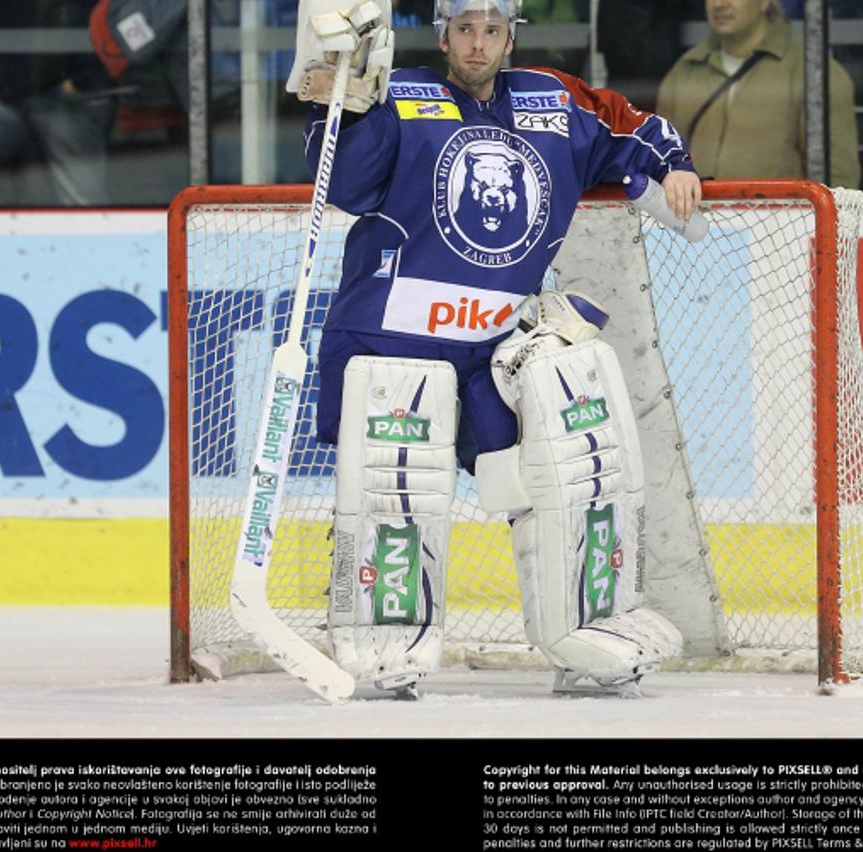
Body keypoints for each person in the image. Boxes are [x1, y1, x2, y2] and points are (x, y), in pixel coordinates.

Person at [286, 0, 698, 697]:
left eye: (492, 31)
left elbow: (629, 126)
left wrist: (675, 165)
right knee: (395, 490)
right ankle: (384, 642)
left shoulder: (554, 100)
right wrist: (346, 109)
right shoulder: (396, 95)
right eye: (464, 30)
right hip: (394, 337)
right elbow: (346, 186)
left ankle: (583, 633)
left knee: (555, 477)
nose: (477, 44)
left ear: (511, 37)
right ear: (443, 35)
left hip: (491, 349)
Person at [655, 0, 860, 188]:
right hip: (693, 216)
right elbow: (657, 163)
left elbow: (838, 181)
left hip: (783, 216)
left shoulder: (812, 72)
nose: (719, 4)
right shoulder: (683, 73)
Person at [0, 1, 115, 206]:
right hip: (15, 86)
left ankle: (90, 228)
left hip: (66, 94)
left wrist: (84, 80)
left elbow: (114, 17)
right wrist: (0, 73)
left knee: (81, 193)